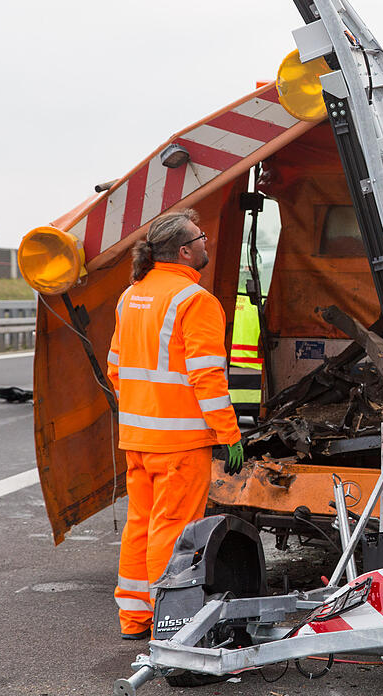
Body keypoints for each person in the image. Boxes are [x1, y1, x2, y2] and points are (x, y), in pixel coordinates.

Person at [108, 209, 245, 640]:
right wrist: (229, 434)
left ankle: (135, 617)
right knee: (173, 530)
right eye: (201, 238)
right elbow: (206, 376)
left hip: (138, 437)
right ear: (185, 250)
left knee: (141, 524)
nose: (207, 242)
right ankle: (168, 623)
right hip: (180, 441)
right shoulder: (195, 301)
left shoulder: (131, 296)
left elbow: (116, 368)